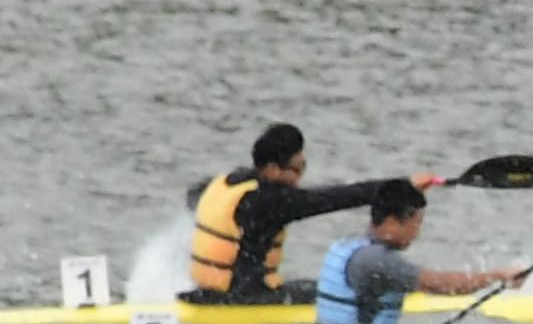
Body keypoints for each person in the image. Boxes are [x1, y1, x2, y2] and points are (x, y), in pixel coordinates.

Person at [187, 123, 439, 301]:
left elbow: (193, 199)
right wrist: (403, 186)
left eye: (303, 167)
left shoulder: (228, 181)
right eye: (296, 170)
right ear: (273, 169)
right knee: (342, 293)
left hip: (204, 291)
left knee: (315, 285)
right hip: (242, 299)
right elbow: (337, 198)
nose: (300, 177)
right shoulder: (270, 201)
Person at [309, 181, 511, 324]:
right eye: (415, 223)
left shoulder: (347, 245)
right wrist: (498, 276)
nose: (416, 232)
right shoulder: (380, 261)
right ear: (391, 222)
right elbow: (446, 286)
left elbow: (361, 309)